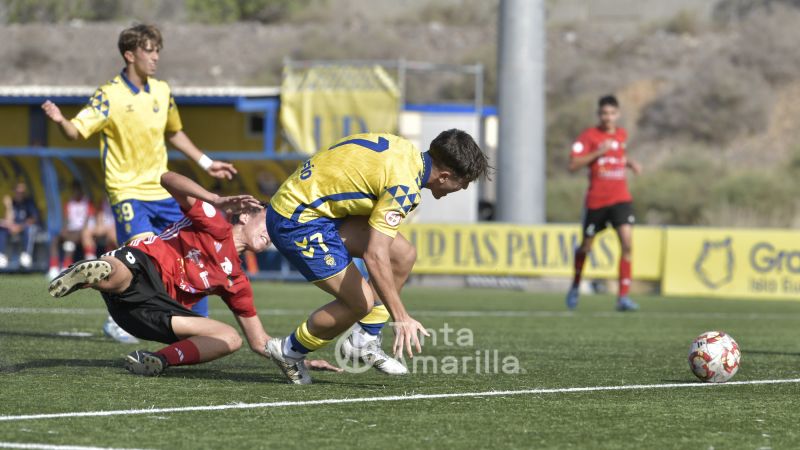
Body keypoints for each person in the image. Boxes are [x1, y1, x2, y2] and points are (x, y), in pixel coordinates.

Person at [41, 24, 236, 341]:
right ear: (130, 54)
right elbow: (77, 131)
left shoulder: (162, 91)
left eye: (158, 50)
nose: (156, 57)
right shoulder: (109, 95)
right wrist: (62, 121)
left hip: (164, 191)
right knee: (140, 260)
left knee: (191, 251)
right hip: (128, 192)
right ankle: (119, 320)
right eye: (149, 50)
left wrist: (207, 162)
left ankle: (197, 324)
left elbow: (174, 132)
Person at [48, 171, 340, 377]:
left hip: (151, 314)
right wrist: (215, 199)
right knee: (125, 271)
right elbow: (167, 179)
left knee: (231, 339)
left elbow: (259, 342)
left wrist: (299, 357)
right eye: (270, 220)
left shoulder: (237, 280)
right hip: (144, 267)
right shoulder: (214, 221)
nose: (273, 232)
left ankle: (155, 361)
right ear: (247, 215)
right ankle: (93, 273)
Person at [264, 130, 490, 384]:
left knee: (403, 255)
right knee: (360, 303)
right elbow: (375, 255)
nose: (462, 189)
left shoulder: (405, 150)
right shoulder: (404, 186)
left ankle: (364, 340)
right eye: (463, 183)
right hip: (297, 221)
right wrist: (401, 318)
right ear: (445, 176)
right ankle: (289, 351)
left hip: (317, 210)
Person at [566, 95, 642, 312]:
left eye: (611, 113)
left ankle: (623, 298)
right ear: (599, 115)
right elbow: (573, 164)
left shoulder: (621, 134)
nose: (608, 117)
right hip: (597, 201)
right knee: (586, 247)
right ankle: (574, 285)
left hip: (621, 199)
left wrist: (630, 163)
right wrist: (599, 150)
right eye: (604, 113)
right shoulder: (589, 136)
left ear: (617, 114)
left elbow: (617, 156)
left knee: (627, 243)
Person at [48, 181, 97, 277]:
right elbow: (66, 220)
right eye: (74, 190)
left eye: (78, 190)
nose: (76, 192)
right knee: (55, 239)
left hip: (83, 230)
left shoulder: (87, 202)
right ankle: (53, 267)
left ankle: (66, 266)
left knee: (70, 240)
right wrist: (64, 230)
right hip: (71, 230)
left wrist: (80, 230)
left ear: (81, 191)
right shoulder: (69, 203)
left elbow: (87, 220)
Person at [0, 180, 40, 270]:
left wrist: (20, 226)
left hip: (25, 227)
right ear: (14, 191)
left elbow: (34, 219)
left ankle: (26, 255)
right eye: (18, 191)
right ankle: (1, 255)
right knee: (2, 229)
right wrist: (9, 206)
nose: (20, 194)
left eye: (22, 192)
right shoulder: (12, 202)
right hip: (13, 228)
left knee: (29, 228)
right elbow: (8, 220)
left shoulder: (28, 202)